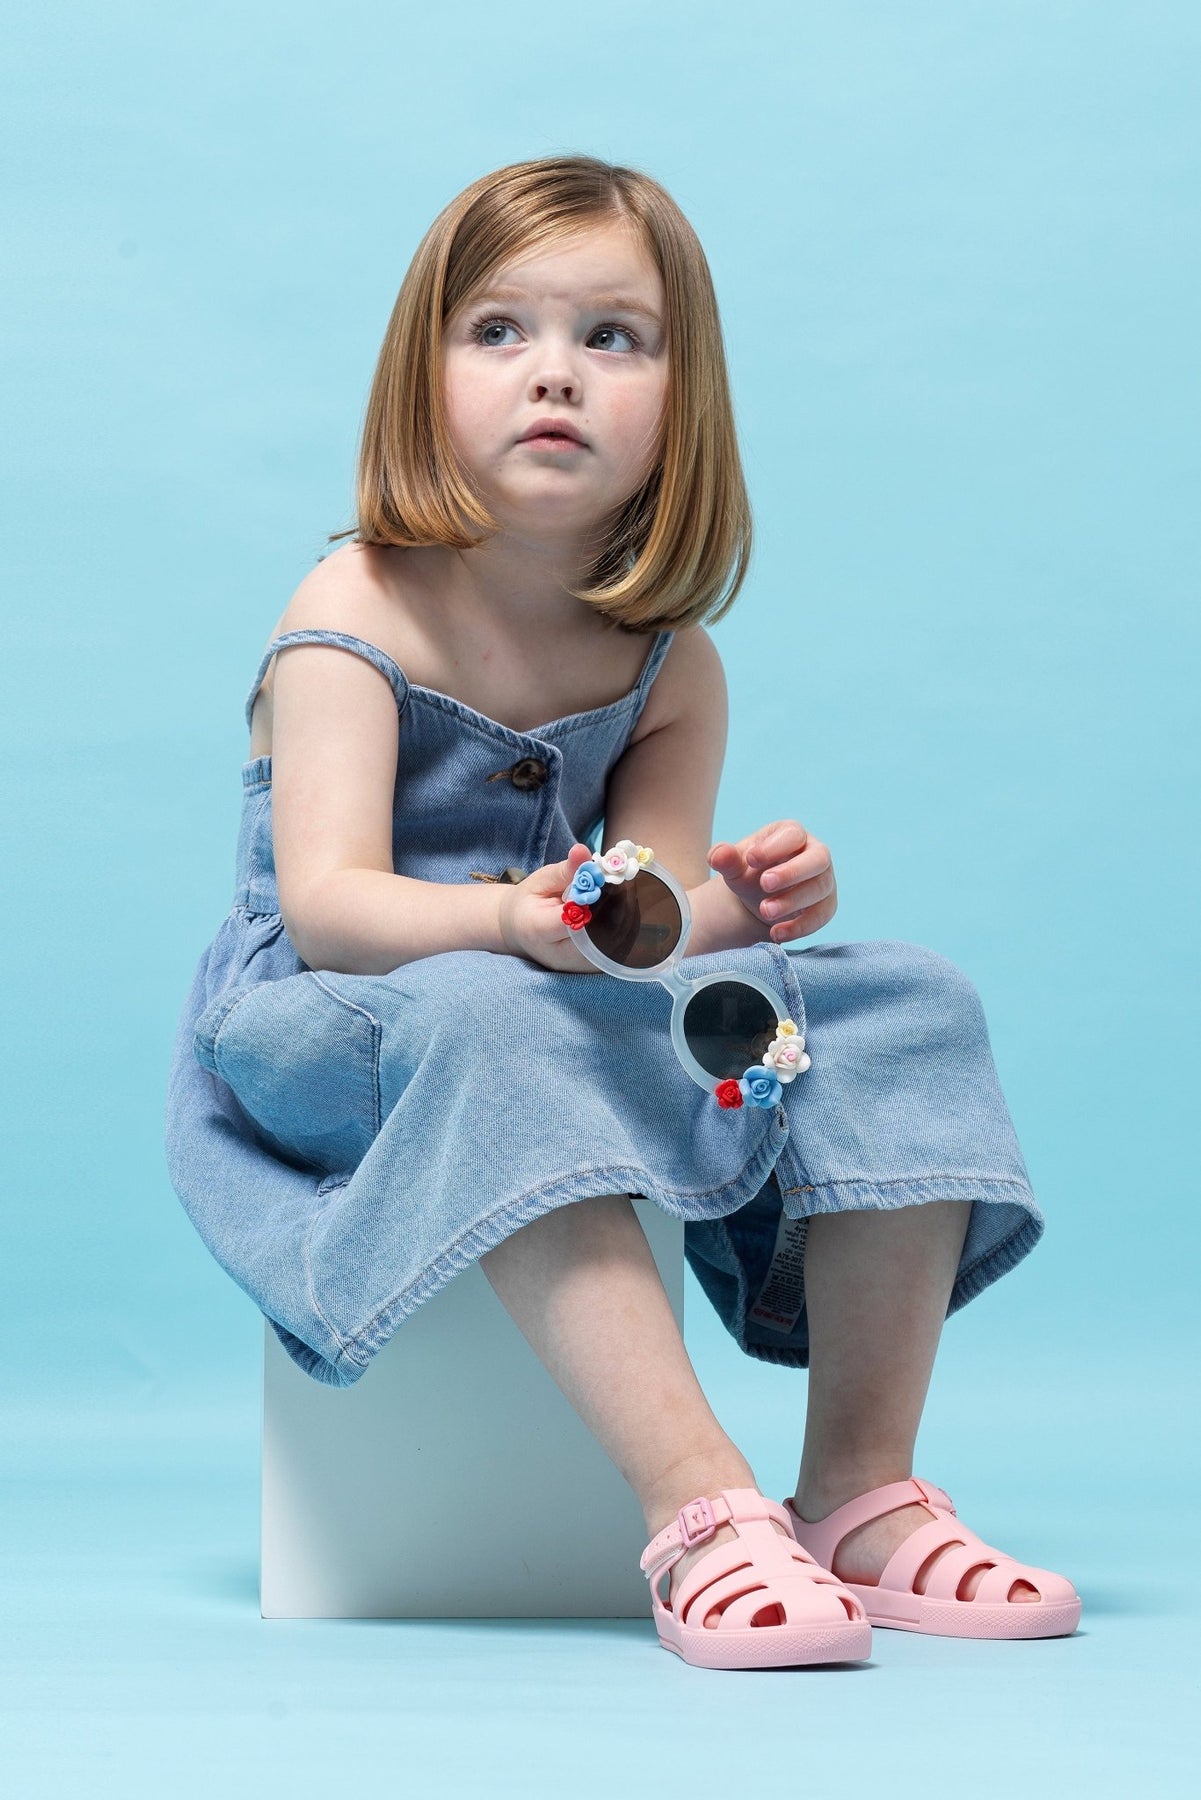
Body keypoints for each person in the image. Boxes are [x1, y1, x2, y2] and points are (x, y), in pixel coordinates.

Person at [164, 153, 1081, 1671]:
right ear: (421, 377)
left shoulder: (668, 660)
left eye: (612, 337)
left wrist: (733, 907)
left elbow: (633, 928)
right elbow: (327, 912)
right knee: (498, 1018)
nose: (555, 375)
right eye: (498, 331)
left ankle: (857, 1488)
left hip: (547, 993)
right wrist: (509, 928)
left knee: (900, 999)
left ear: (680, 397)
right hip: (331, 1026)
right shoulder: (352, 612)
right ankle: (698, 1503)